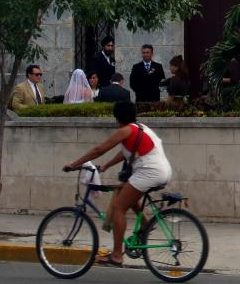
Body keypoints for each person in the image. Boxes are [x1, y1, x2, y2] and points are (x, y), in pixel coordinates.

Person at [63, 100, 172, 268]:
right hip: (162, 170)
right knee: (126, 195)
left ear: (117, 117)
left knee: (119, 208)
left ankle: (116, 256)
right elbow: (125, 152)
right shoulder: (140, 127)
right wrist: (106, 166)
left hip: (149, 173)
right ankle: (145, 226)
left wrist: (74, 164)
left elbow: (99, 150)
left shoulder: (124, 130)